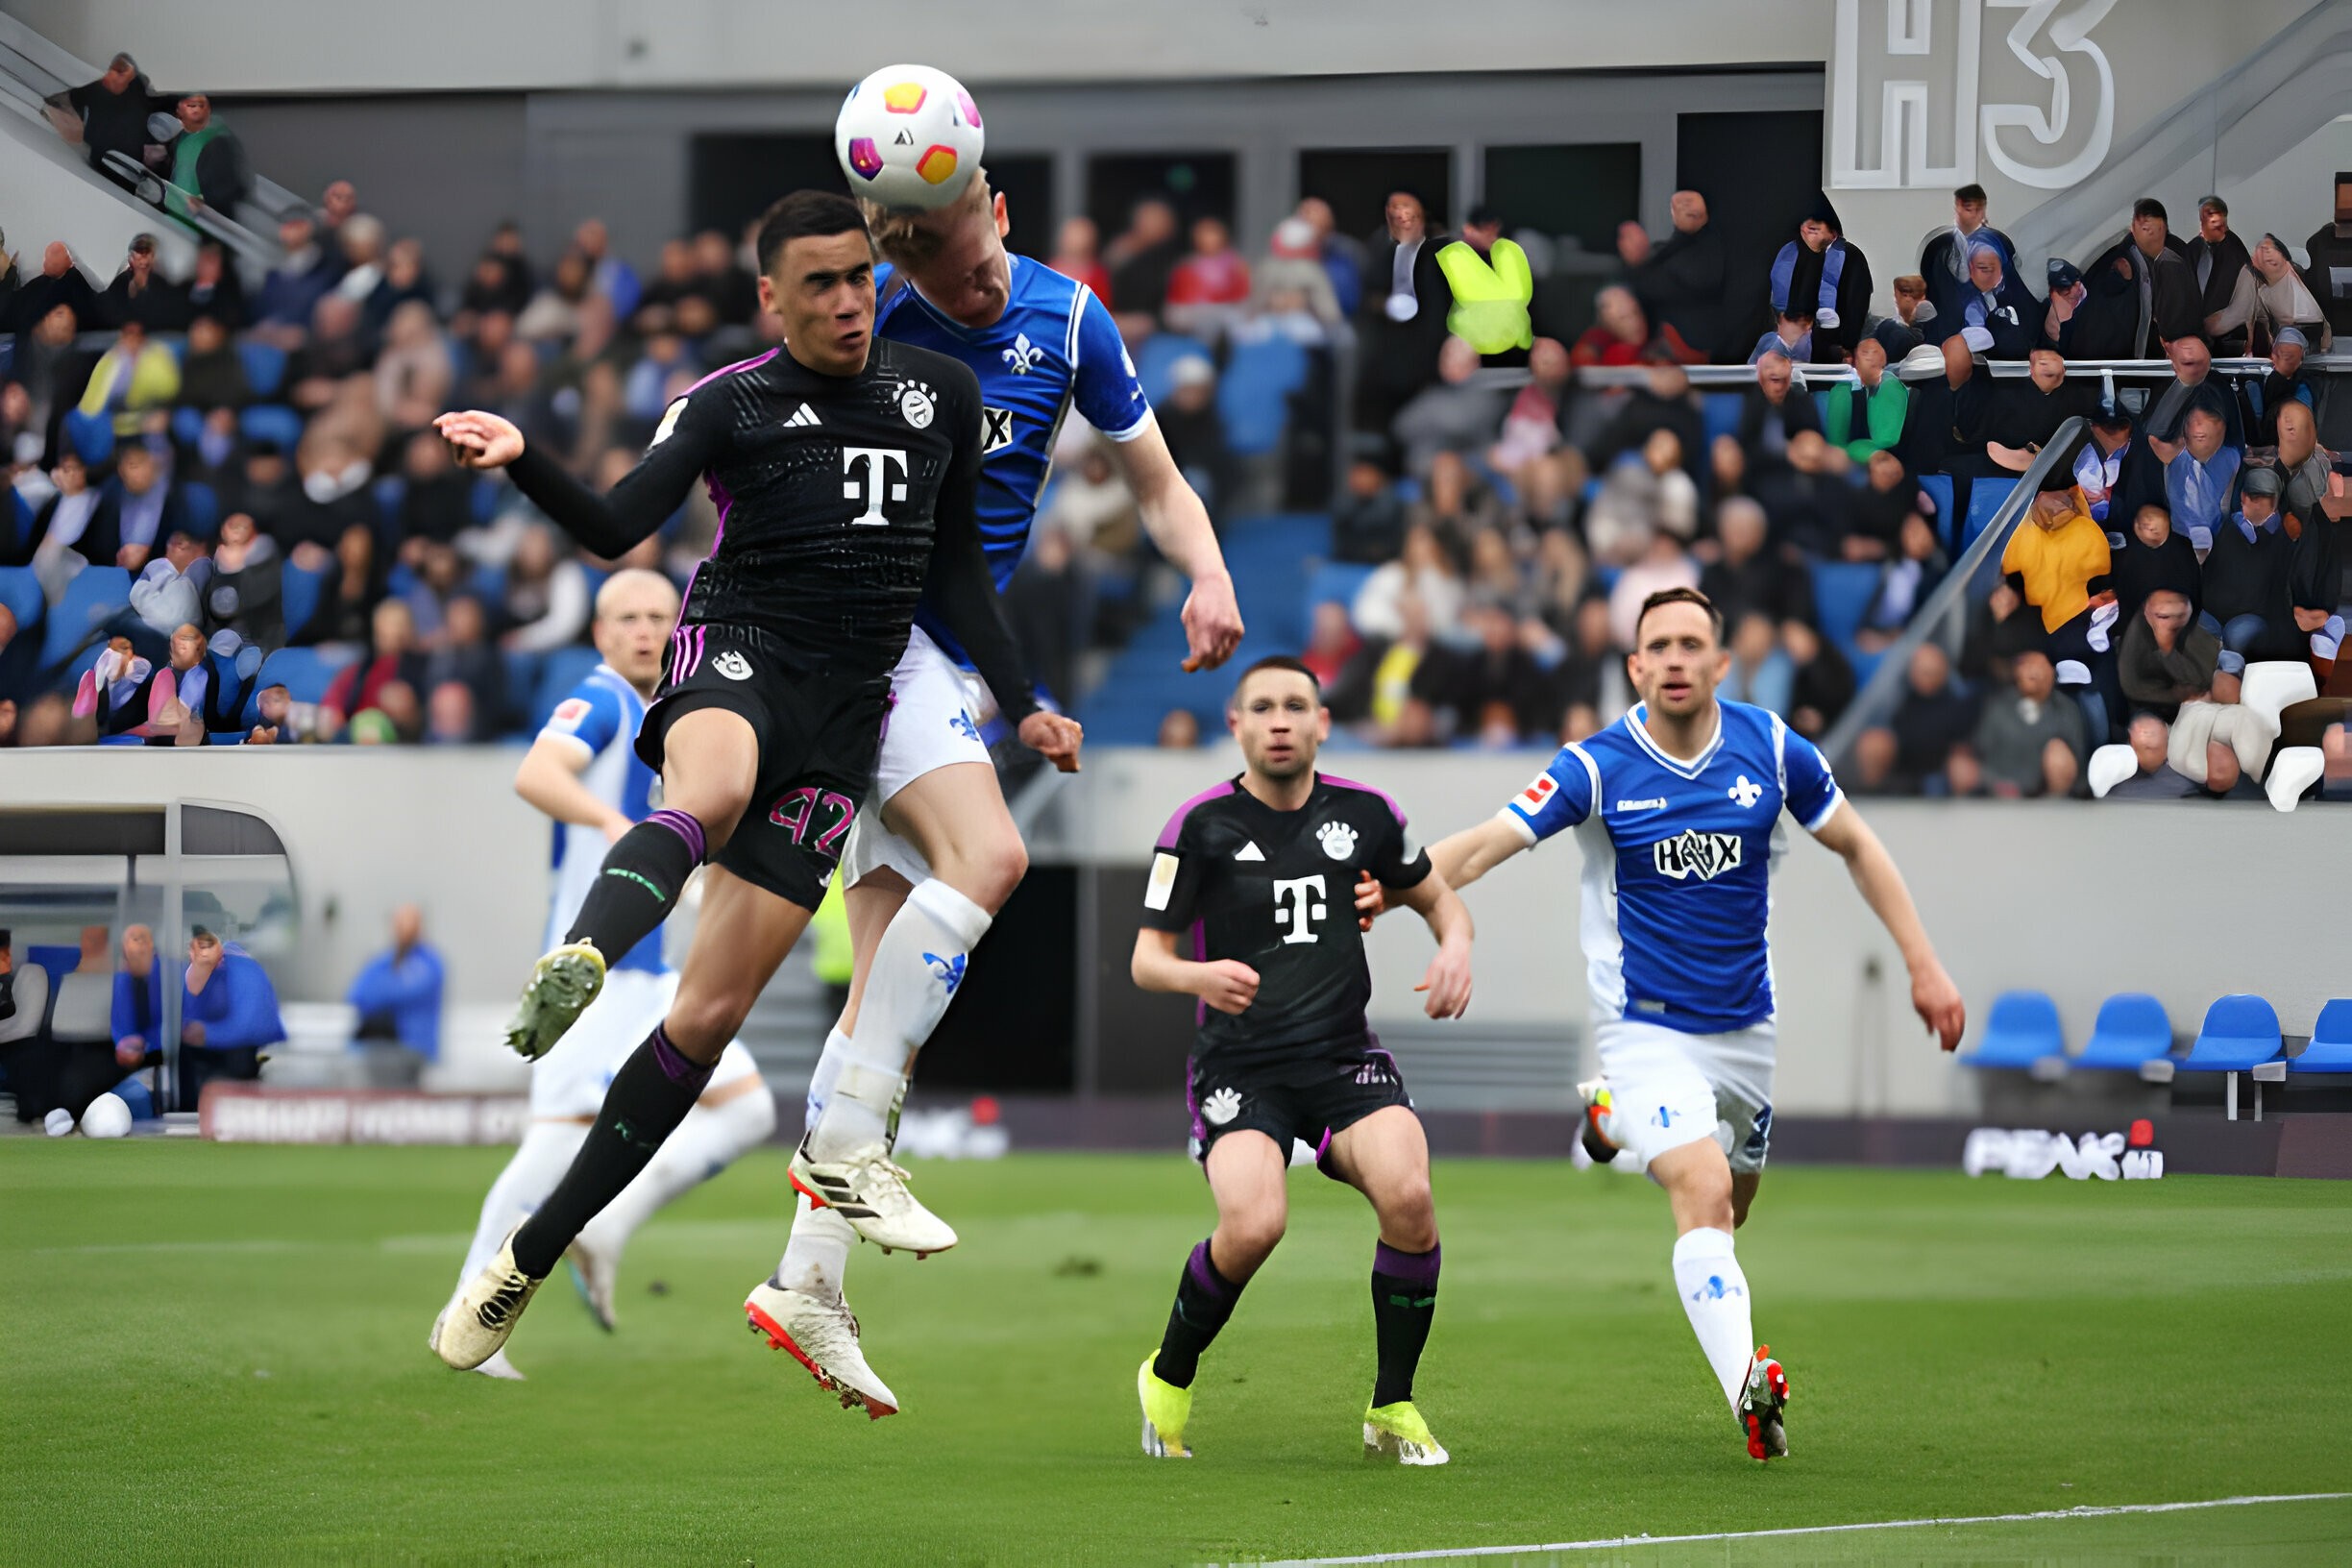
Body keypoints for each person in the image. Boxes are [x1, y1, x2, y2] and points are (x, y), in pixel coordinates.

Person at [429, 190, 1078, 1380]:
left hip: (844, 713)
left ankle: (527, 1255)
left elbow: (964, 577)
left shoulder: (940, 397)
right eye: (818, 284)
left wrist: (1024, 695)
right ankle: (580, 955)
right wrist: (528, 461)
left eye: (858, 277)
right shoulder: (729, 401)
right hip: (737, 652)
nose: (846, 301)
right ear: (770, 299)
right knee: (712, 789)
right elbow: (622, 521)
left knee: (708, 1017)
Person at [755, 160, 1242, 1413]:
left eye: (972, 261)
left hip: (933, 662)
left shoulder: (1070, 318)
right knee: (992, 861)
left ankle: (808, 1275)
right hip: (873, 645)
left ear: (1004, 220)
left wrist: (1207, 572)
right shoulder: (876, 319)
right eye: (925, 268)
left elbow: (1155, 479)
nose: (958, 288)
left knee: (877, 994)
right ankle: (841, 1158)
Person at [1414, 585, 1964, 1462]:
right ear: (1635, 667)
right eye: (1657, 646)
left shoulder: (1773, 749)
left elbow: (1858, 845)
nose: (1673, 659)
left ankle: (1612, 1126)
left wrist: (1925, 964)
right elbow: (1486, 843)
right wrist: (1397, 881)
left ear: (1720, 662)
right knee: (1702, 1193)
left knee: (1730, 1211)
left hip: (1748, 1031)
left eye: (1689, 644)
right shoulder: (1596, 766)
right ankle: (1750, 1392)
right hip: (1646, 1028)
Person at [1131, 656, 1473, 1464]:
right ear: (1237, 726)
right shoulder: (1198, 826)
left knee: (1411, 1196)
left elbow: (1437, 899)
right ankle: (1168, 1374)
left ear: (1323, 723)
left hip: (1343, 1060)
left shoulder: (1370, 813)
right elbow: (1148, 959)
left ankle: (1392, 1406)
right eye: (1263, 707)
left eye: (1296, 705)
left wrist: (1456, 945)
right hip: (1240, 1070)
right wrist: (1197, 975)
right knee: (1255, 1224)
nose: (1280, 720)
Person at [440, 571, 776, 1380]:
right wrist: (614, 821)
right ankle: (469, 1306)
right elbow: (536, 773)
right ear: (598, 633)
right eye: (627, 617)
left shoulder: (674, 714)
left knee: (749, 1110)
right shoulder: (602, 698)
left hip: (653, 974)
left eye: (662, 616)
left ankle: (609, 1226)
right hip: (591, 975)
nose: (646, 631)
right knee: (548, 1152)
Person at [1624, 189, 1726, 361]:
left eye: (1688, 204)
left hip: (1694, 345)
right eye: (1676, 206)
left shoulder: (1709, 250)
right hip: (1661, 343)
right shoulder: (1666, 250)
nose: (1682, 208)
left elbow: (1697, 282)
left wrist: (1639, 265)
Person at [1767, 197, 1871, 358]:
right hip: (1789, 341)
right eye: (1806, 225)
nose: (1809, 230)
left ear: (1833, 231)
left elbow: (1856, 303)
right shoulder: (1789, 253)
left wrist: (1848, 346)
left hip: (1834, 347)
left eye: (1816, 227)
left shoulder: (1851, 256)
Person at [45, 52, 159, 189]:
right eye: (113, 71)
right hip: (99, 170)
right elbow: (60, 101)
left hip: (124, 177)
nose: (113, 76)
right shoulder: (97, 90)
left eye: (121, 73)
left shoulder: (143, 99)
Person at [1919, 184, 2016, 331]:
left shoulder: (2001, 244)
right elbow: (1930, 287)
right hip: (1948, 326)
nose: (1975, 215)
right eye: (1969, 209)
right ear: (1957, 207)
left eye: (1979, 209)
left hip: (1994, 325)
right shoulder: (1938, 247)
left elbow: (2012, 282)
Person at [160, 92, 252, 225]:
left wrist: (205, 201)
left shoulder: (217, 140)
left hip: (200, 220)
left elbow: (231, 183)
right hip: (176, 214)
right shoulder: (184, 137)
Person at [2185, 197, 2253, 354]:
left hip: (2224, 340)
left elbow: (2240, 303)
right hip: (2199, 337)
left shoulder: (2234, 250)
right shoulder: (2195, 247)